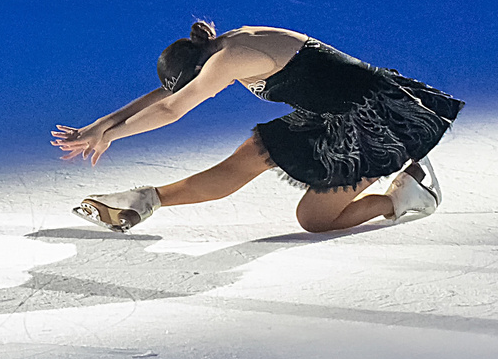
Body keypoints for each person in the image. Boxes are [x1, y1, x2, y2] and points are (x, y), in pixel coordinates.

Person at [53, 21, 461, 233]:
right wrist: (101, 124)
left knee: (314, 220)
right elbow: (167, 93)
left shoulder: (233, 56)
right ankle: (146, 200)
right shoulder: (219, 48)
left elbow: (172, 109)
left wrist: (111, 136)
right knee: (246, 160)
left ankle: (409, 194)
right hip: (327, 115)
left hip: (375, 122)